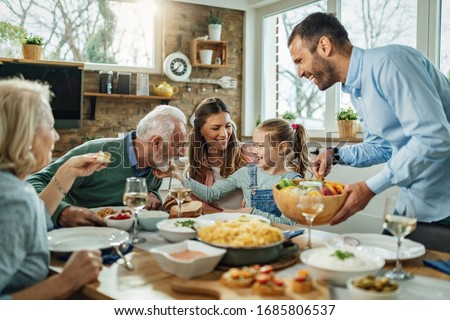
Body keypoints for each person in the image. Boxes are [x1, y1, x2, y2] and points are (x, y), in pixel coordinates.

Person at [288, 13, 450, 231]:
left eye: (300, 60)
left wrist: (370, 188)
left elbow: (434, 138)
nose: (299, 73)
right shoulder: (357, 90)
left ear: (324, 46)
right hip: (413, 204)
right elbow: (382, 147)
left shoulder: (391, 63)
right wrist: (334, 155)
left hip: (444, 207)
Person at [0, 78, 104, 299]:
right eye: (50, 127)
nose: (56, 136)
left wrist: (68, 171)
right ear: (25, 135)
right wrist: (66, 282)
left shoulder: (10, 188)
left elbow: (32, 220)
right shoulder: (13, 198)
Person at [27, 105, 187, 227]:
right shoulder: (96, 152)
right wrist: (62, 211)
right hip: (71, 234)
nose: (182, 152)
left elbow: (151, 194)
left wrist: (154, 196)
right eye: (178, 145)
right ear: (157, 143)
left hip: (118, 236)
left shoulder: (157, 164)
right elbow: (33, 183)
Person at [170, 118, 309, 225]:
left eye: (260, 146)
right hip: (247, 236)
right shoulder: (247, 173)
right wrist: (179, 176)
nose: (254, 150)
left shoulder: (292, 182)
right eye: (254, 144)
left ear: (282, 147)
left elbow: (288, 223)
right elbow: (211, 194)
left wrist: (251, 212)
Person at [186, 97, 251, 211]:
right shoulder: (193, 170)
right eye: (216, 128)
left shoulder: (248, 156)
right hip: (214, 224)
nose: (224, 134)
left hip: (246, 224)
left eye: (228, 126)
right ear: (200, 130)